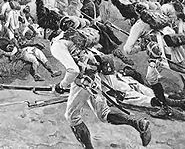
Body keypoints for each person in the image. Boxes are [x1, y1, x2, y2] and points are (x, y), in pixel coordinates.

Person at [50, 16, 151, 148]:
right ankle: (138, 123)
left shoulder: (56, 44)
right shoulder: (73, 33)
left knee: (72, 117)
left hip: (83, 80)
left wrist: (61, 86)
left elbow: (73, 70)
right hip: (93, 74)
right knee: (103, 114)